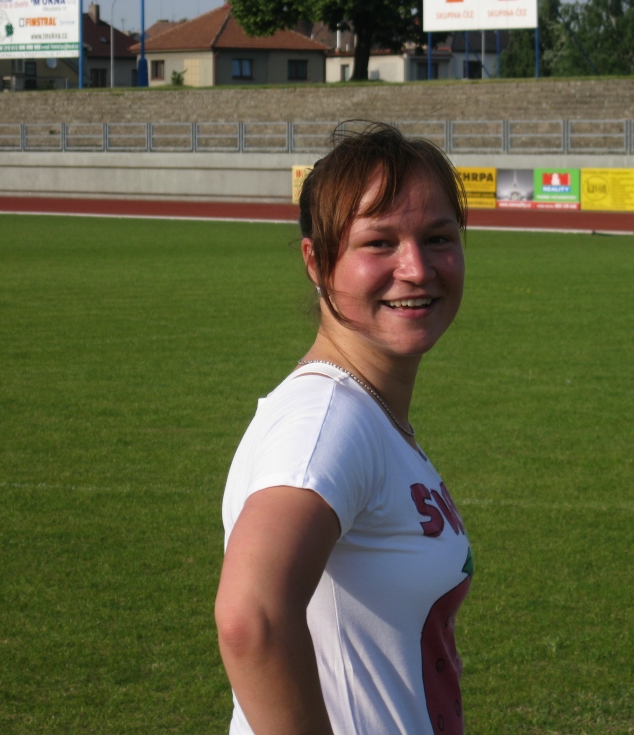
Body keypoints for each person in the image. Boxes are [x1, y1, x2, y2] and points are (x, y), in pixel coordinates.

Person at [215, 122, 473, 735]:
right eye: (379, 243)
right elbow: (252, 617)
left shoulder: (365, 411)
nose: (416, 269)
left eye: (438, 238)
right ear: (316, 260)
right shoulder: (325, 421)